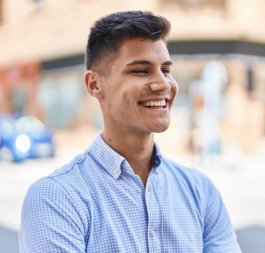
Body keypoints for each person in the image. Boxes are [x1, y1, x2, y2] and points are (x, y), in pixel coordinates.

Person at [19, 11, 242, 253]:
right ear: (95, 85)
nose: (163, 83)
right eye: (140, 71)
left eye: (166, 70)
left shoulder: (201, 191)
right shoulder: (56, 198)